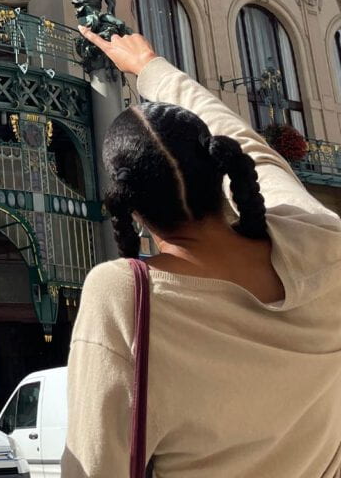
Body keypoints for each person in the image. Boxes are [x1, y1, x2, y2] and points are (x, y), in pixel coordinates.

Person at [62, 28, 341, 477]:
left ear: (130, 209)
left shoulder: (125, 294)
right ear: (221, 169)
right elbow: (251, 146)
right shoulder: (323, 242)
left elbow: (95, 466)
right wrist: (151, 66)